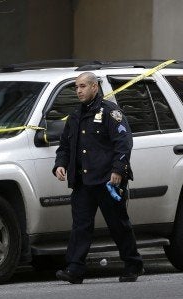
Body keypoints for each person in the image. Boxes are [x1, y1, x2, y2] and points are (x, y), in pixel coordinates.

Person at [53, 72, 143, 284]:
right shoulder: (75, 116)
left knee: (118, 224)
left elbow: (124, 142)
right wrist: (60, 164)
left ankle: (132, 263)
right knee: (80, 226)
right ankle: (75, 269)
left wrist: (118, 170)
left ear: (95, 87)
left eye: (83, 86)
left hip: (107, 180)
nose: (79, 90)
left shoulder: (110, 112)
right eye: (76, 87)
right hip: (84, 182)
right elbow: (65, 146)